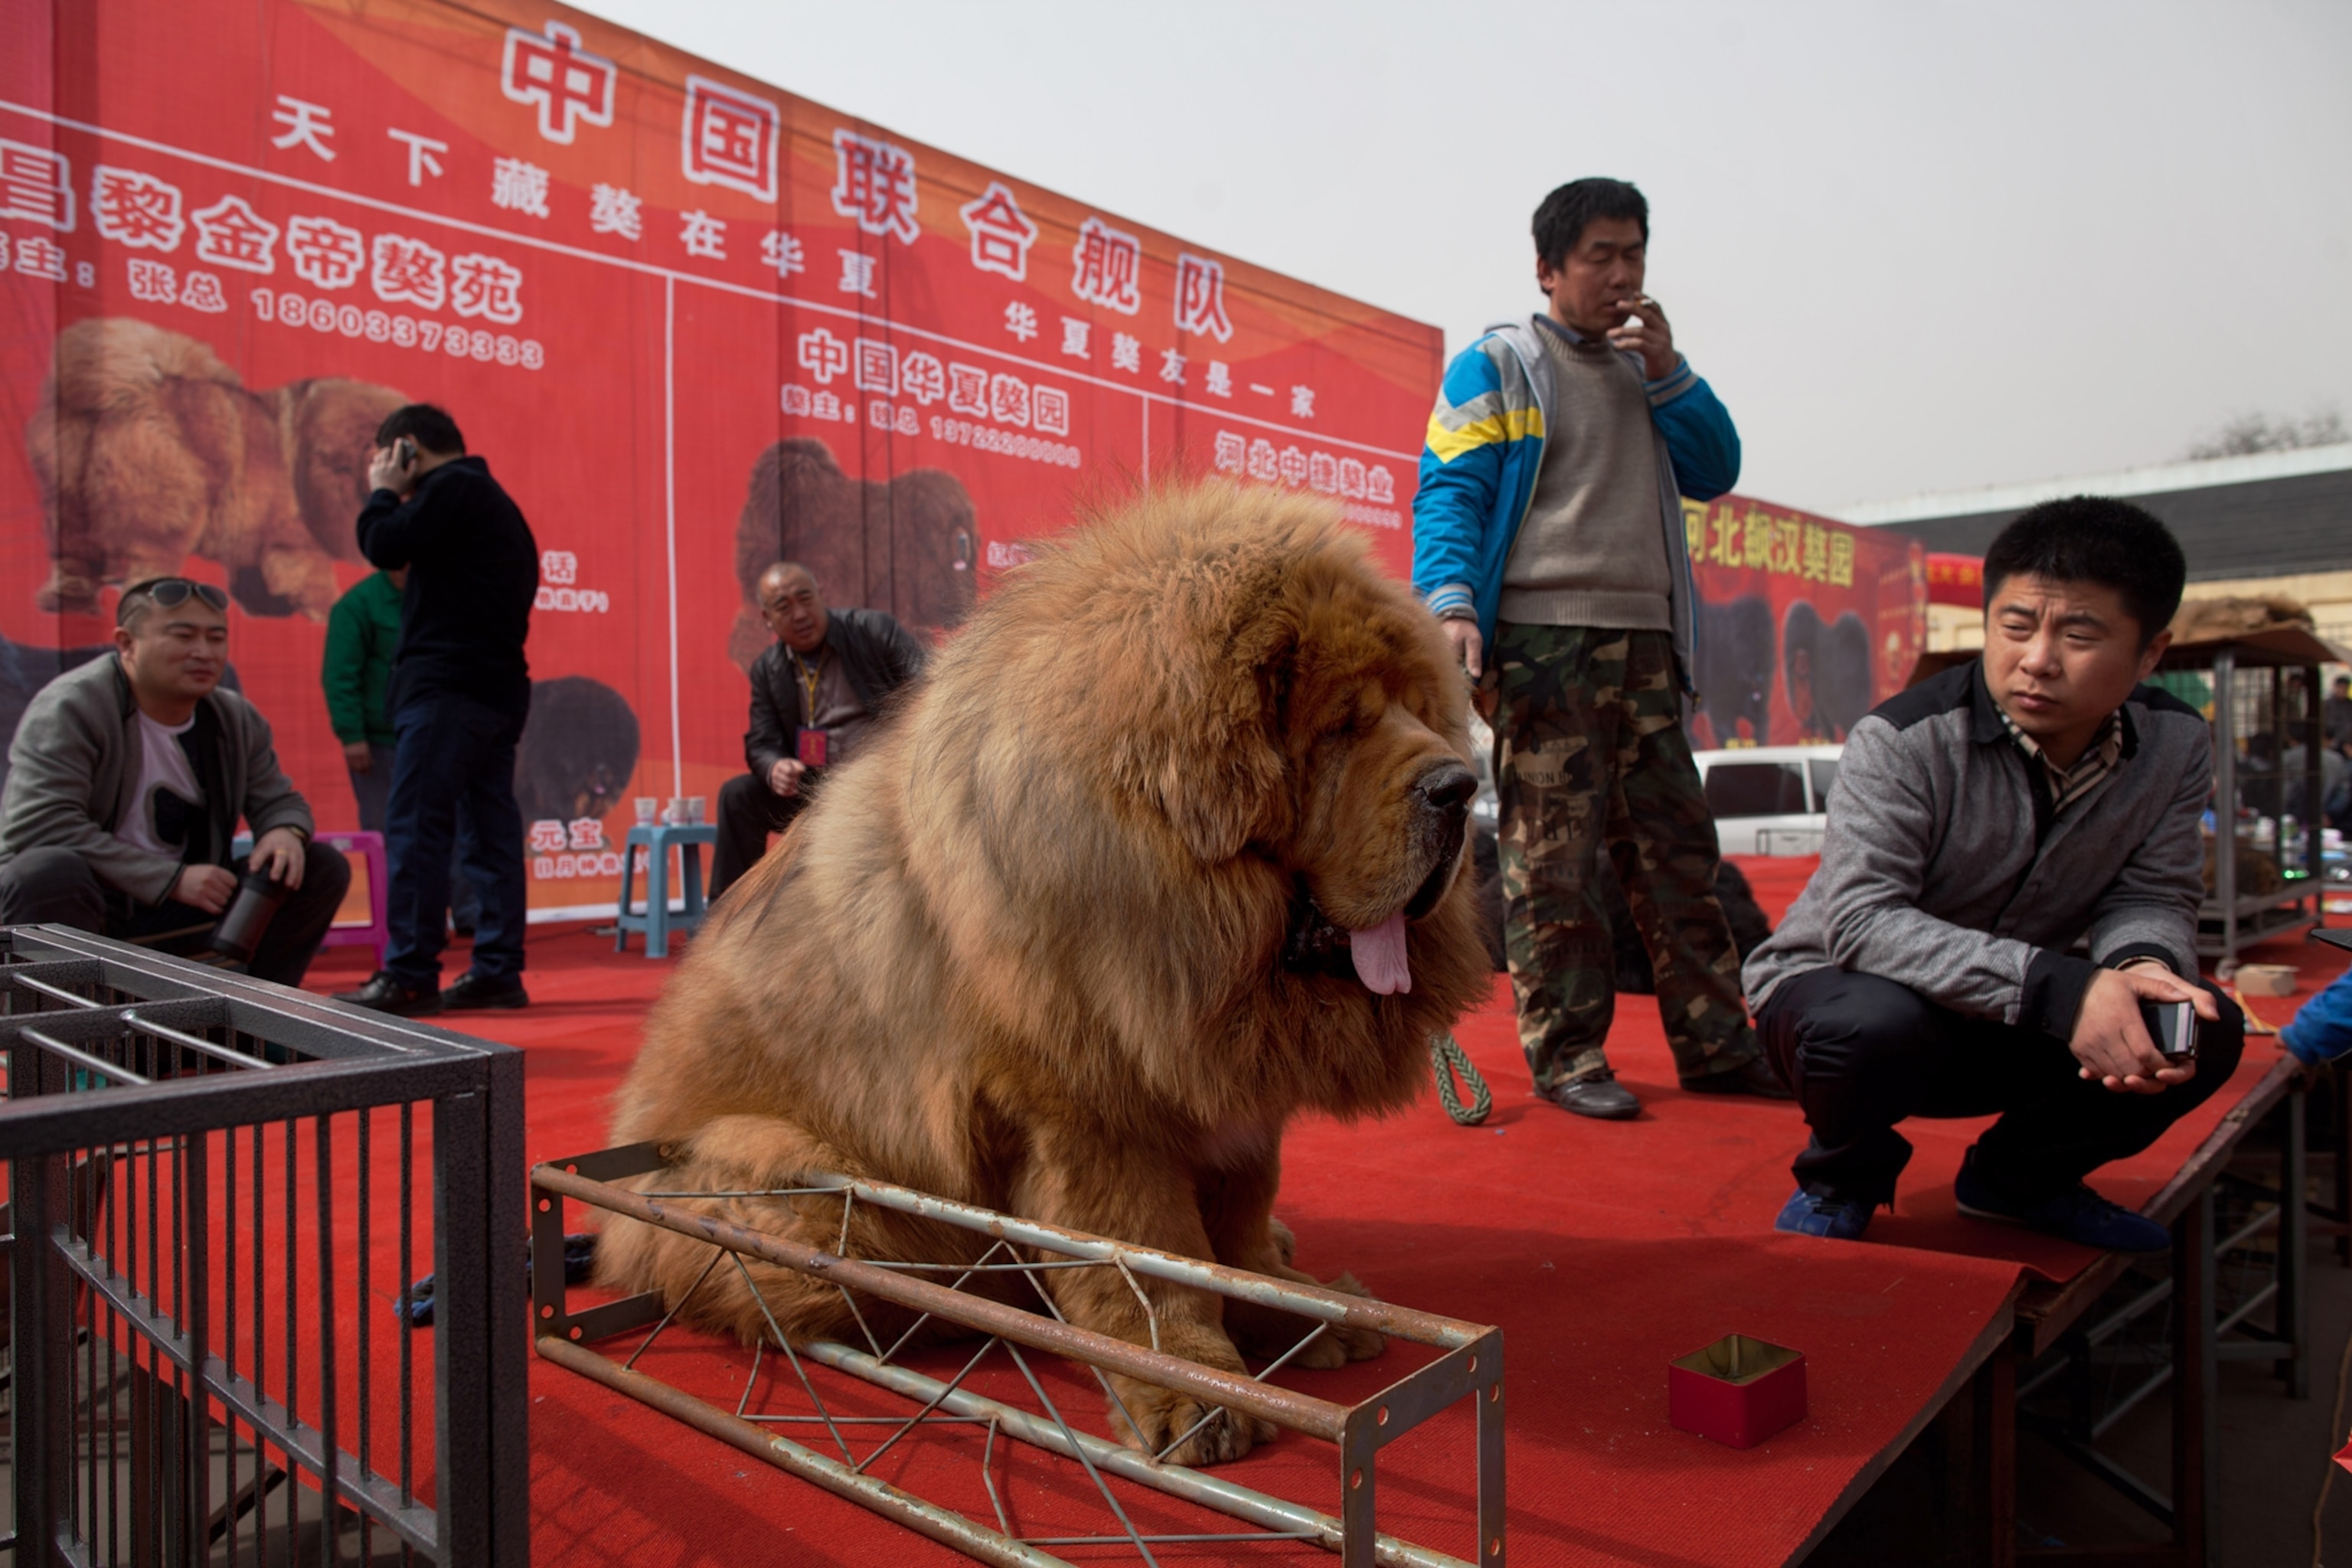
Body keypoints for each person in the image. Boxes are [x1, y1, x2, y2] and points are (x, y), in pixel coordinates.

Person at [1746, 498, 2246, 1251]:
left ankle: (2016, 1182)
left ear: (2151, 653)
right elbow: (1862, 921)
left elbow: (2152, 892)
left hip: (2016, 1019)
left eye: (2079, 634)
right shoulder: (1904, 739)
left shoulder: (2175, 744)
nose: (2038, 658)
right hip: (1854, 1005)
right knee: (1866, 1025)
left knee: (2199, 1026)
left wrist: (2139, 968)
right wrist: (2063, 987)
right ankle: (1840, 1178)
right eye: (2015, 626)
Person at [1411, 176, 1782, 1119]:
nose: (1622, 276)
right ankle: (1569, 1056)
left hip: (1648, 641)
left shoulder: (1647, 369)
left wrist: (1670, 370)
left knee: (1678, 853)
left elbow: (1717, 469)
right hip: (1545, 641)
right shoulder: (1498, 365)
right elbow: (1450, 489)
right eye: (1600, 258)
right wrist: (1452, 604)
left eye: (1635, 256)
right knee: (1553, 860)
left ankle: (1718, 1046)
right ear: (1548, 269)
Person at [0, 577, 350, 986]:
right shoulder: (72, 706)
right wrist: (169, 880)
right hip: (98, 902)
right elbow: (39, 824)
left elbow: (277, 799)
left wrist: (284, 830)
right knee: (46, 871)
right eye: (183, 636)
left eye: (216, 638)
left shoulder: (234, 717)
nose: (203, 652)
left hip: (191, 901)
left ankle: (256, 1030)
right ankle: (58, 1039)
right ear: (126, 643)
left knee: (315, 867)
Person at [334, 405, 535, 1018]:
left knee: (420, 828)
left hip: (447, 690)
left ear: (406, 450)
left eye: (384, 457)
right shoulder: (491, 502)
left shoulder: (453, 489)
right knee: (487, 832)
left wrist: (382, 494)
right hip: (493, 691)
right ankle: (498, 971)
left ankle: (410, 972)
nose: (380, 469)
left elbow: (382, 542)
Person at [712, 561, 926, 897]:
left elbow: (926, 685)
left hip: (883, 781)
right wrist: (774, 766)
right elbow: (762, 741)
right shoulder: (768, 669)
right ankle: (726, 919)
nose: (799, 614)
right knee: (737, 796)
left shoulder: (872, 631)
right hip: (812, 787)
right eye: (784, 607)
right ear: (768, 619)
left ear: (820, 596)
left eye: (805, 599)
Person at [321, 566, 479, 930]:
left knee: (452, 825)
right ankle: (406, 920)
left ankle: (467, 913)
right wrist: (352, 735)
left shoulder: (441, 598)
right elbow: (341, 675)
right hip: (381, 742)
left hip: (438, 736)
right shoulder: (359, 604)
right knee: (391, 833)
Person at [2325, 675, 2352, 746]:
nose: (2343, 690)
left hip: (2348, 742)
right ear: (2335, 687)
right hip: (2329, 741)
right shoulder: (2326, 704)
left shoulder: (2350, 705)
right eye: (2340, 687)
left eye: (2345, 688)